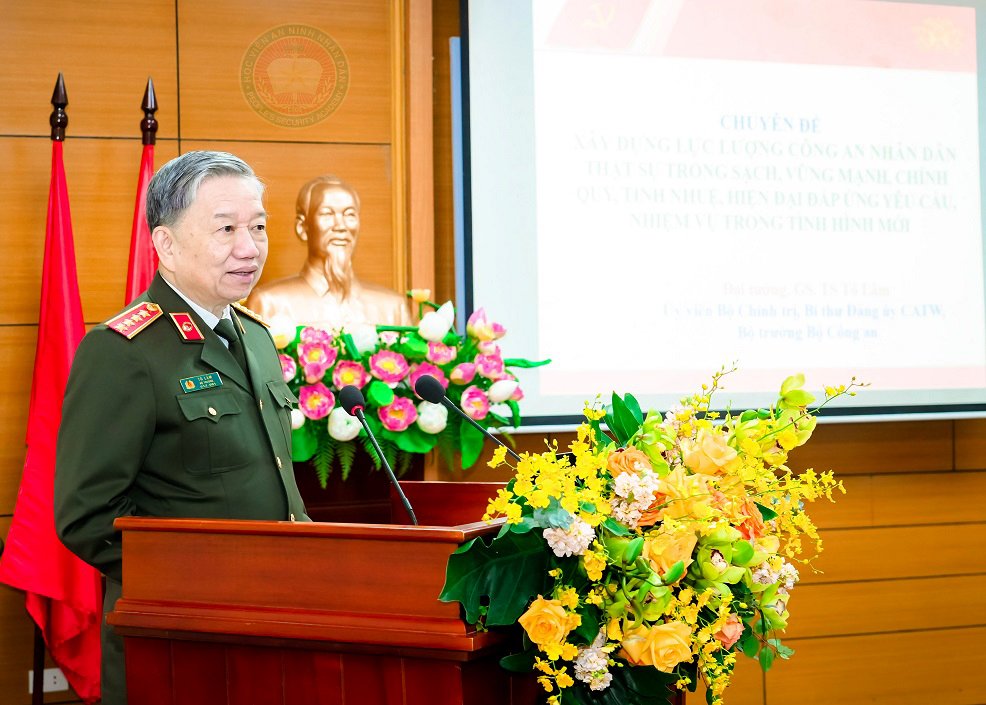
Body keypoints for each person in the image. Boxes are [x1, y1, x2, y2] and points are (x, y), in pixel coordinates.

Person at [54, 151, 309, 705]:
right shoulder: (124, 351)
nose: (250, 247)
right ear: (166, 245)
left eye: (258, 227)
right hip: (179, 639)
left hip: (275, 624)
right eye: (226, 229)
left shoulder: (255, 337)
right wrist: (207, 580)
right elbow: (88, 514)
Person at [246, 174, 412, 331]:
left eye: (349, 215)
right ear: (302, 228)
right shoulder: (270, 303)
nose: (340, 226)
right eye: (327, 214)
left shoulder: (393, 309)